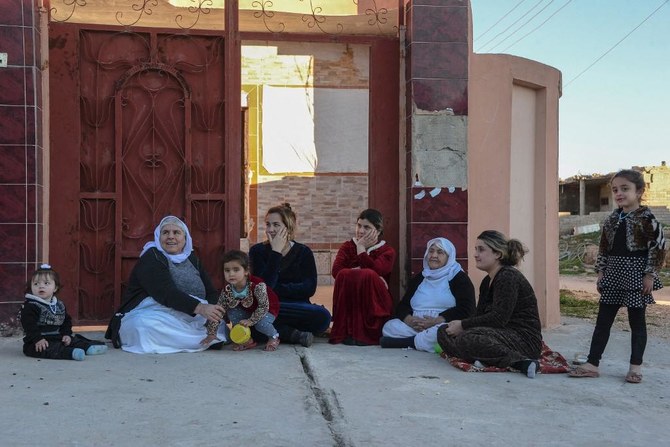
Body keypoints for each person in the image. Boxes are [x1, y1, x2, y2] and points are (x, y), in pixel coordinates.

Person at [569, 170, 666, 383]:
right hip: (612, 274)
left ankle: (635, 368)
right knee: (603, 321)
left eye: (625, 189)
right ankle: (592, 364)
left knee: (637, 323)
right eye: (615, 190)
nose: (619, 193)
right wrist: (601, 272)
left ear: (639, 191)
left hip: (635, 275)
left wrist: (649, 275)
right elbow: (604, 248)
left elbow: (658, 248)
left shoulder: (647, 218)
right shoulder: (612, 219)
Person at [111, 216, 228, 354]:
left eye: (176, 233)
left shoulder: (191, 258)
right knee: (142, 325)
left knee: (219, 325)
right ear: (158, 237)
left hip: (191, 317)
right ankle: (201, 341)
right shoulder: (152, 256)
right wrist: (201, 308)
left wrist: (213, 317)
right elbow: (165, 292)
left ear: (185, 238)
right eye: (165, 232)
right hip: (155, 313)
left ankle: (200, 338)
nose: (170, 237)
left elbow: (210, 291)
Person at [437, 230, 542, 378]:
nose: (475, 254)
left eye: (481, 249)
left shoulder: (508, 277)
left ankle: (519, 362)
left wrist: (463, 325)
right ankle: (486, 358)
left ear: (498, 254)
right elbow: (480, 316)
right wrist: (461, 326)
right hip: (496, 334)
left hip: (522, 339)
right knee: (443, 331)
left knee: (469, 338)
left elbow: (499, 318)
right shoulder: (487, 281)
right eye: (475, 249)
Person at [249, 203, 331, 347]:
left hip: (297, 308)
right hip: (268, 307)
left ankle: (280, 331)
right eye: (268, 225)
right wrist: (276, 253)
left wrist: (277, 290)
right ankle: (295, 334)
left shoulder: (304, 252)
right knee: (254, 317)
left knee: (323, 316)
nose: (271, 229)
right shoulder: (258, 251)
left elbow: (309, 288)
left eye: (276, 225)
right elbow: (263, 289)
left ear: (288, 227)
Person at [380, 237, 475, 351]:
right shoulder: (421, 277)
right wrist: (410, 320)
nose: (434, 255)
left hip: (441, 325)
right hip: (416, 327)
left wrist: (436, 321)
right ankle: (424, 342)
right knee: (390, 326)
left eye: (440, 252)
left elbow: (467, 309)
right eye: (431, 251)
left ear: (449, 257)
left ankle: (407, 342)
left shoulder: (459, 278)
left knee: (442, 331)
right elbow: (403, 305)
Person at [329, 208, 396, 345]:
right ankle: (347, 332)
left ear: (377, 231)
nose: (360, 231)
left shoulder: (387, 251)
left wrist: (361, 251)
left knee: (368, 275)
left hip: (375, 300)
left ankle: (367, 334)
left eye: (367, 227)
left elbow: (376, 270)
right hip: (351, 297)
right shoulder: (347, 247)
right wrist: (361, 272)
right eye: (359, 225)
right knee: (348, 275)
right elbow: (337, 271)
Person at [20, 264, 108, 361]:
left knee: (72, 340)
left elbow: (66, 320)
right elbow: (29, 325)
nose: (41, 286)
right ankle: (71, 353)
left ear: (55, 288)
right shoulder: (30, 305)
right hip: (37, 340)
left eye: (46, 283)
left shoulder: (59, 305)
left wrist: (66, 334)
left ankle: (88, 348)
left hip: (57, 337)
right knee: (47, 349)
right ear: (31, 287)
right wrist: (37, 339)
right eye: (36, 284)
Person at [201, 250, 281, 351]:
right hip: (247, 308)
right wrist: (212, 333)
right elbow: (219, 311)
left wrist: (251, 320)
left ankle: (274, 337)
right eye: (227, 270)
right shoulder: (227, 290)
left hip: (268, 308)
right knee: (232, 314)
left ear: (246, 271)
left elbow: (263, 306)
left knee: (261, 324)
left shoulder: (257, 285)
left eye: (236, 270)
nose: (231, 274)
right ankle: (247, 340)